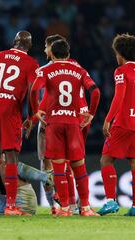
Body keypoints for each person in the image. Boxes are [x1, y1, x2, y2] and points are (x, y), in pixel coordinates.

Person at [30, 39, 100, 216]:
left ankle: (65, 208)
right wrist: (91, 114)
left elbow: (33, 90)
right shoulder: (79, 70)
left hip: (54, 124)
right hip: (74, 123)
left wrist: (36, 112)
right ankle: (85, 208)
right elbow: (96, 92)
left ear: (52, 54)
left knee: (59, 169)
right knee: (79, 167)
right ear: (68, 54)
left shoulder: (46, 70)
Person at [0, 31, 38, 216]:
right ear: (29, 46)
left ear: (14, 42)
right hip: (10, 109)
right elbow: (32, 92)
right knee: (11, 157)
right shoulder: (31, 63)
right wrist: (31, 116)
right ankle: (11, 206)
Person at [97, 34, 135, 216]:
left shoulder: (121, 71)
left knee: (106, 159)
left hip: (123, 124)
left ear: (120, 53)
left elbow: (119, 97)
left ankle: (111, 201)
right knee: (134, 162)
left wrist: (107, 120)